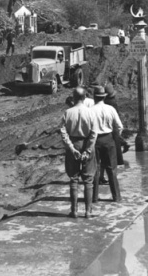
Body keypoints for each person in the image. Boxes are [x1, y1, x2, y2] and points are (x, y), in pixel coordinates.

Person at [59, 87, 98, 218]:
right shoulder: (91, 113)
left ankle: (74, 210)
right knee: (88, 180)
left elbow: (63, 133)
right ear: (84, 97)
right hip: (87, 143)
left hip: (73, 143)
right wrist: (88, 150)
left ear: (74, 98)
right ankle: (88, 211)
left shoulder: (67, 112)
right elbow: (94, 133)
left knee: (74, 179)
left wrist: (71, 148)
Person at [91, 85, 124, 205]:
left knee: (95, 169)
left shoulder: (90, 110)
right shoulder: (110, 109)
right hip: (109, 139)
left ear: (94, 97)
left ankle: (94, 197)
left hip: (95, 140)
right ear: (104, 97)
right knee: (112, 170)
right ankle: (116, 196)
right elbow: (120, 126)